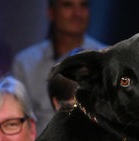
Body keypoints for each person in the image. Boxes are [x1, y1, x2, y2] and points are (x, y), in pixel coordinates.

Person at [12, 0, 106, 133]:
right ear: (51, 12)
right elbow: (17, 120)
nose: (77, 13)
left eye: (83, 5)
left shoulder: (105, 58)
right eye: (68, 5)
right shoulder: (25, 62)